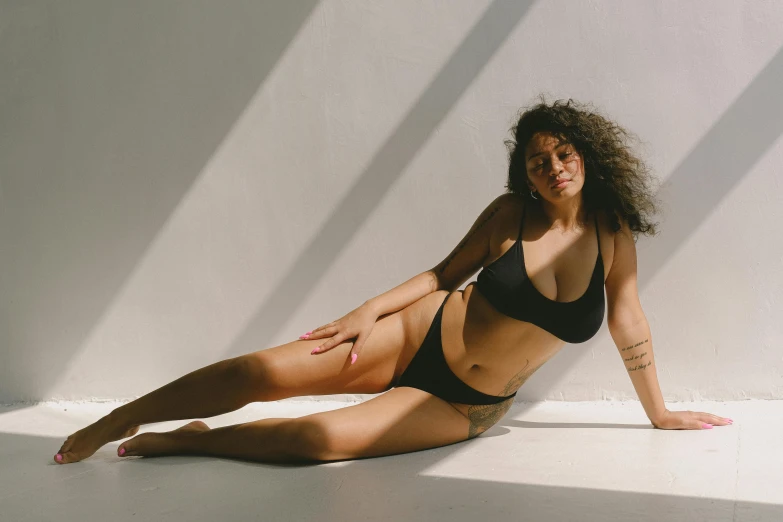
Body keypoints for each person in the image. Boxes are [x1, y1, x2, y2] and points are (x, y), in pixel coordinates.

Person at [53, 97, 732, 465]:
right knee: (255, 373)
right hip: (418, 333)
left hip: (464, 403)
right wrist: (366, 312)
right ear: (523, 175)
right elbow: (444, 274)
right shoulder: (507, 216)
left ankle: (190, 440)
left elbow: (628, 322)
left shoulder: (612, 233)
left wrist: (659, 413)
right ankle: (122, 415)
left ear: (583, 156)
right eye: (536, 161)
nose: (552, 167)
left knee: (312, 443)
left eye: (561, 152)